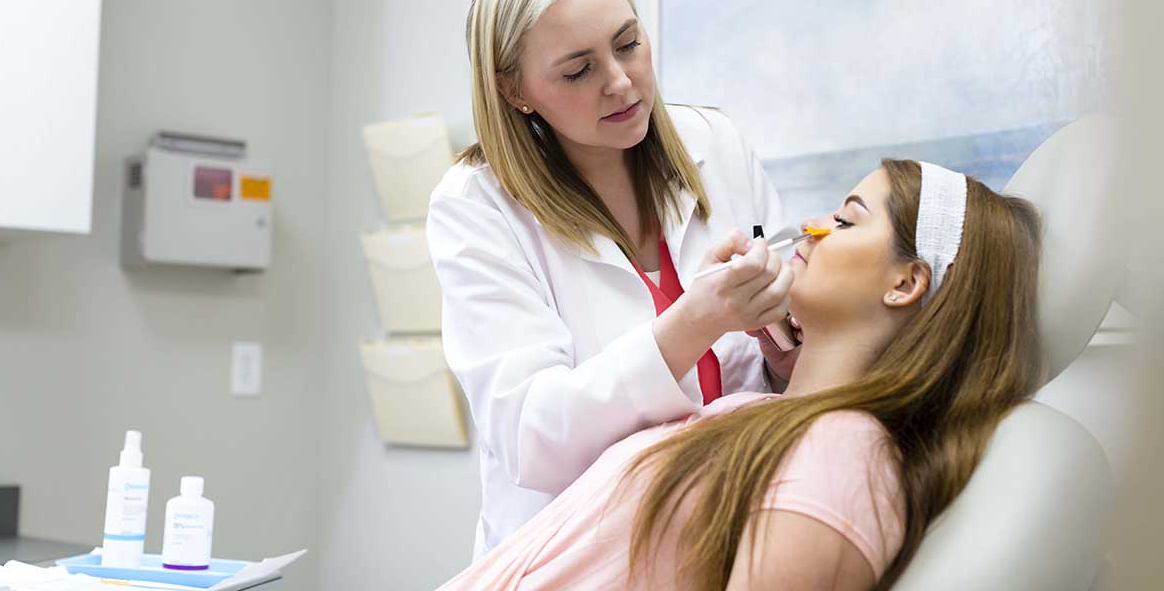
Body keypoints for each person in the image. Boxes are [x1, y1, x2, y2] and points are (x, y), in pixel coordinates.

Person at [434, 159, 1044, 590]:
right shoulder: (762, 413)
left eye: (846, 220)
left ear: (906, 283)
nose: (811, 230)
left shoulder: (842, 457)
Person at [426, 0, 799, 558]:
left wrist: (784, 349)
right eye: (578, 70)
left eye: (629, 44)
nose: (622, 83)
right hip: (587, 556)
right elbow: (531, 436)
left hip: (734, 531)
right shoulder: (477, 206)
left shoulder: (716, 142)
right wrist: (695, 322)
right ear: (514, 90)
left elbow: (790, 353)